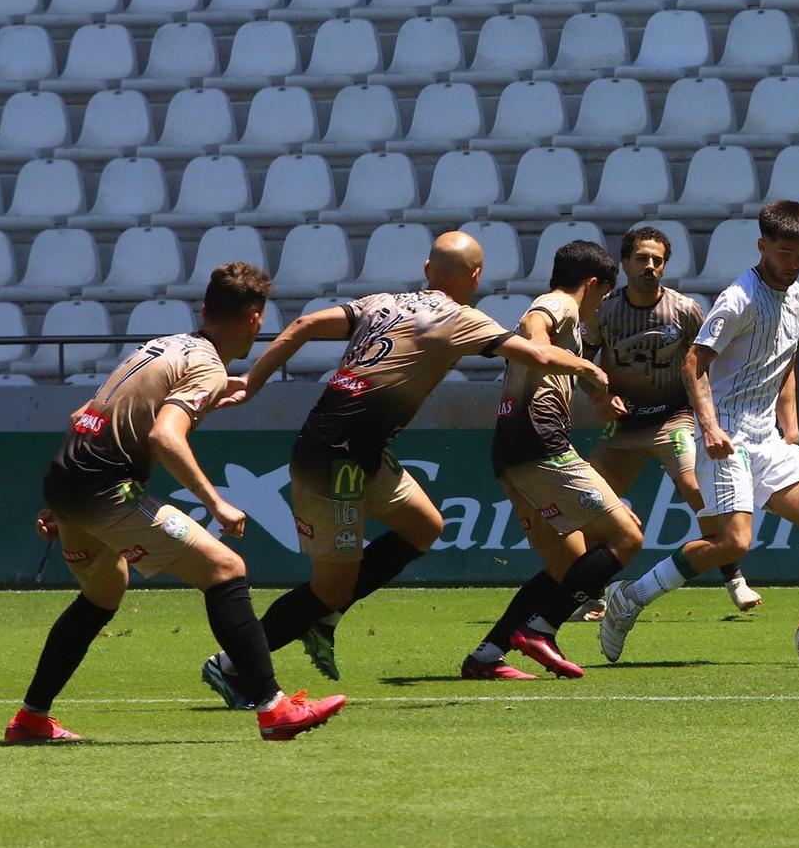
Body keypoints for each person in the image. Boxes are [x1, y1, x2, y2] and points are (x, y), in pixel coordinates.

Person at [200, 230, 617, 694]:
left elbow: (301, 327)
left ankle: (325, 614)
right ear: (476, 276)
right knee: (329, 588)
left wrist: (251, 384)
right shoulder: (461, 319)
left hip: (354, 447)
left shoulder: (379, 302)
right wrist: (588, 369)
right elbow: (537, 352)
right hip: (336, 459)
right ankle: (233, 664)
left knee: (424, 527)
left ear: (426, 270)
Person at [12, 263, 344, 743]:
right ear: (255, 319)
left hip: (70, 479)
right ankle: (274, 708)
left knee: (102, 593)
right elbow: (165, 436)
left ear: (205, 309)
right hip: (109, 489)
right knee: (225, 568)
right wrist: (218, 503)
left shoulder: (163, 346)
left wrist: (61, 502)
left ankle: (31, 719)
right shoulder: (207, 365)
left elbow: (82, 414)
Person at [597, 201, 799, 665]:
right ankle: (631, 596)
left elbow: (783, 358)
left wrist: (790, 421)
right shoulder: (739, 298)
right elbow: (694, 362)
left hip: (766, 436)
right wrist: (707, 426)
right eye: (784, 252)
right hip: (725, 432)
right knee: (732, 543)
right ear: (762, 246)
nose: (793, 263)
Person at [461, 240, 643, 679]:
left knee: (568, 564)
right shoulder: (557, 304)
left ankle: (487, 656)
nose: (600, 306)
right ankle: (540, 629)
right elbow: (533, 328)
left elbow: (546, 364)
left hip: (511, 449)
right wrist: (583, 368)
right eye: (602, 296)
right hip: (540, 444)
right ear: (594, 284)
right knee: (627, 538)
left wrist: (595, 394)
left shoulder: (569, 327)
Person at [584, 225, 763, 618]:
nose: (650, 266)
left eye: (658, 260)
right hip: (624, 424)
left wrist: (710, 420)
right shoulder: (605, 311)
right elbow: (583, 362)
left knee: (695, 488)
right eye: (642, 259)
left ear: (665, 266)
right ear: (626, 262)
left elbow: (703, 367)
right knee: (590, 500)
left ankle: (733, 577)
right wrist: (600, 395)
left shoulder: (685, 310)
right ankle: (592, 593)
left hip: (672, 418)